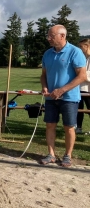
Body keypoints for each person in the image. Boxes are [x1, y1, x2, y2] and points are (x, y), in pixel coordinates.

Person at [40, 24, 87, 167]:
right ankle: (51, 154)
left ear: (62, 36)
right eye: (48, 36)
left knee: (69, 127)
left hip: (69, 98)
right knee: (50, 125)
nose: (48, 39)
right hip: (50, 98)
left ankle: (68, 155)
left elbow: (82, 76)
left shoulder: (75, 52)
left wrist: (62, 90)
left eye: (51, 36)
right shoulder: (47, 54)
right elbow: (43, 75)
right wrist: (44, 86)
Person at [76, 38, 90, 134]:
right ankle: (79, 127)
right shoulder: (85, 58)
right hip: (80, 88)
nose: (80, 49)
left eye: (81, 47)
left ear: (87, 46)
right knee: (79, 109)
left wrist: (80, 73)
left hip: (88, 88)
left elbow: (86, 74)